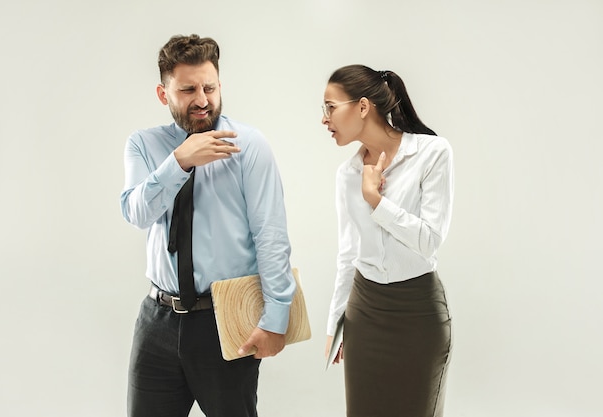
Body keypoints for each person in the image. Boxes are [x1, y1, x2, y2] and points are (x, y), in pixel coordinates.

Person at [120, 34, 296, 417]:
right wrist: (179, 162)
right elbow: (136, 213)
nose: (202, 99)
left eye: (210, 87)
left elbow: (271, 236)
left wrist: (276, 318)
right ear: (163, 93)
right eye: (188, 89)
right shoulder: (143, 146)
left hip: (226, 319)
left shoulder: (248, 145)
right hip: (157, 320)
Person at [322, 65, 454, 417]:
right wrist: (336, 323)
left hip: (418, 315)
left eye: (330, 107)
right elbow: (348, 253)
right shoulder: (346, 174)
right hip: (364, 314)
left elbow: (429, 241)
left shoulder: (432, 153)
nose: (325, 119)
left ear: (363, 107)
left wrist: (377, 201)